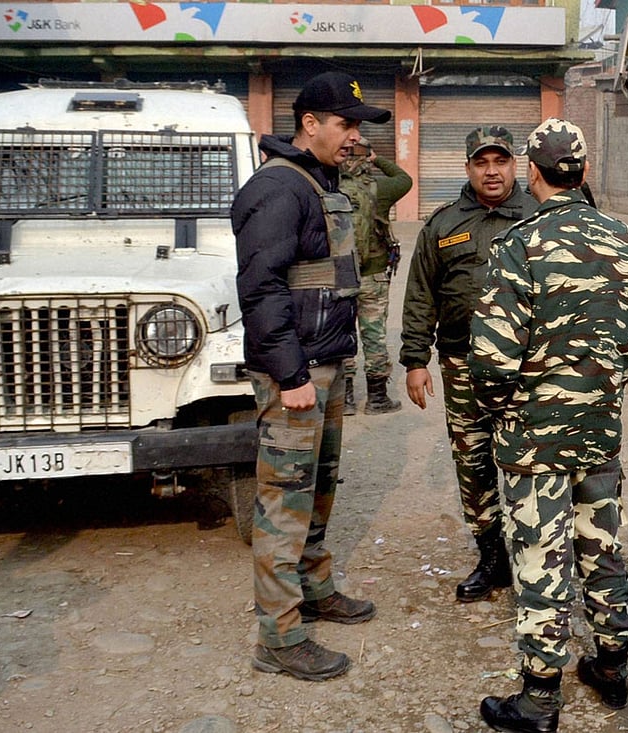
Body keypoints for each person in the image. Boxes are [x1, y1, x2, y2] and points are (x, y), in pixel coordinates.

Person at [468, 119, 628, 732]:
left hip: (534, 438)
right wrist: (606, 379)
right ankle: (611, 666)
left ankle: (538, 702)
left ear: (532, 173)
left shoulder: (520, 246)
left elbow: (492, 357)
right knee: (602, 546)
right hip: (598, 433)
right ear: (582, 172)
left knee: (540, 558)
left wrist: (503, 405)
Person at [231, 71, 390, 681]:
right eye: (346, 124)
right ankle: (278, 636)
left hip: (325, 365)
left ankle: (314, 589)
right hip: (296, 374)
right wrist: (292, 373)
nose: (354, 136)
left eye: (357, 126)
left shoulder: (317, 181)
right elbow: (261, 288)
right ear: (309, 124)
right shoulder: (279, 188)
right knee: (283, 504)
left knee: (317, 491)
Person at [399, 126, 537, 602]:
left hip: (529, 368)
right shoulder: (443, 224)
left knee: (529, 462)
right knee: (472, 462)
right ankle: (491, 556)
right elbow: (421, 295)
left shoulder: (540, 216)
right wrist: (415, 360)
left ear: (516, 165)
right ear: (468, 169)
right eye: (482, 163)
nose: (492, 171)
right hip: (463, 366)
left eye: (500, 161)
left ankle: (535, 560)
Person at [339, 137, 413, 415]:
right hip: (374, 276)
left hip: (340, 276)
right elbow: (404, 178)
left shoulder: (328, 187)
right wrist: (377, 158)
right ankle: (377, 399)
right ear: (364, 157)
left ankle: (345, 400)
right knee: (374, 336)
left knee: (342, 333)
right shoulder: (380, 188)